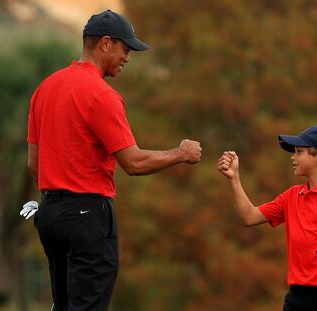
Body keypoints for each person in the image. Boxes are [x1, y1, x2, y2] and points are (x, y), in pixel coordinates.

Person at [26, 10, 202, 311]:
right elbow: (134, 163)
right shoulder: (101, 95)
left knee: (64, 305)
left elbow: (34, 163)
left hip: (50, 214)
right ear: (105, 43)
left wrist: (58, 199)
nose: (128, 57)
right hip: (88, 216)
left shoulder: (46, 88)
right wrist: (180, 154)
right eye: (126, 48)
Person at [217, 125, 317, 310]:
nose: (293, 157)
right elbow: (249, 216)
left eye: (299, 152)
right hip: (297, 296)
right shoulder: (292, 196)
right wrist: (234, 179)